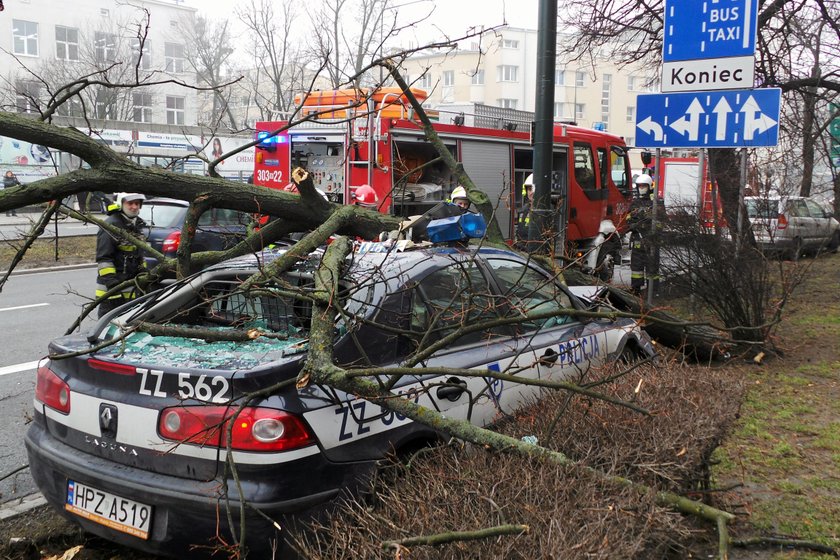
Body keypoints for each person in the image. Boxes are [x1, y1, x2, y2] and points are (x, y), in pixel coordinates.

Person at [95, 193, 148, 317]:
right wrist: (113, 289)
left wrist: (144, 273)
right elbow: (104, 259)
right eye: (130, 203)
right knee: (108, 331)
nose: (134, 207)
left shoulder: (136, 225)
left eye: (137, 203)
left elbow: (139, 255)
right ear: (120, 204)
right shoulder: (111, 226)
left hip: (130, 291)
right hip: (111, 294)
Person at [628, 174, 661, 296]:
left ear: (649, 186)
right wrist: (632, 225)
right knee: (636, 268)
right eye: (639, 186)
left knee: (652, 267)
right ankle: (635, 289)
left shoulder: (656, 203)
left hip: (652, 242)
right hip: (638, 241)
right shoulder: (634, 204)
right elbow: (627, 218)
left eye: (643, 186)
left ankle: (653, 291)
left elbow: (662, 222)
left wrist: (649, 225)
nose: (641, 188)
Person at [516, 174, 535, 241]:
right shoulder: (524, 209)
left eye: (533, 189)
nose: (532, 192)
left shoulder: (546, 210)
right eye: (529, 189)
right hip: (521, 246)